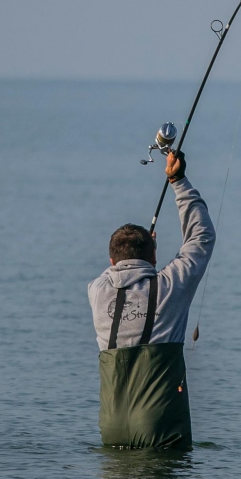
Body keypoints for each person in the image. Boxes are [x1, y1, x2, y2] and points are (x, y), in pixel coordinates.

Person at [88, 150, 215, 450]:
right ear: (154, 255)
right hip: (161, 430)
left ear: (111, 260)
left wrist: (144, 251)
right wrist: (177, 180)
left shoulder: (97, 291)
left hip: (113, 430)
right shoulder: (171, 286)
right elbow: (201, 237)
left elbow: (117, 270)